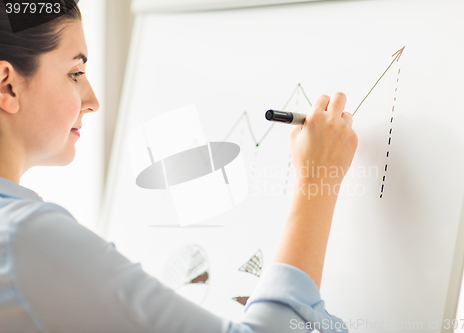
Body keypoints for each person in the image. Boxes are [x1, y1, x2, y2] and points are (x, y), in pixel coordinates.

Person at [0, 1, 357, 332]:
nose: (92, 100)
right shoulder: (27, 238)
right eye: (75, 73)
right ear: (8, 86)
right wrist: (316, 181)